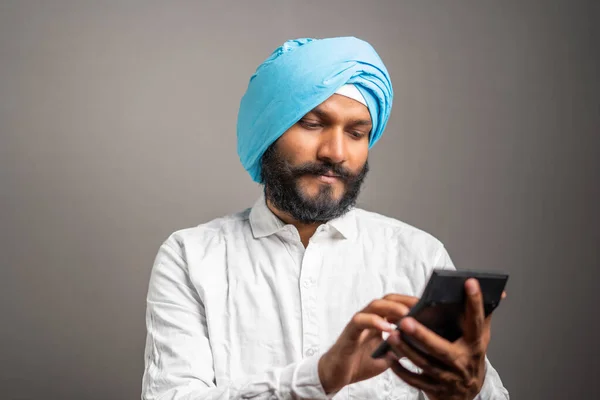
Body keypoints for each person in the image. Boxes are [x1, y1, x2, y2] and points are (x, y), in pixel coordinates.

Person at [141, 36, 509, 399]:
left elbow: (472, 386)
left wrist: (469, 393)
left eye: (356, 133)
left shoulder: (418, 256)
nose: (335, 153)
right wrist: (320, 377)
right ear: (268, 130)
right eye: (313, 124)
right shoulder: (191, 257)